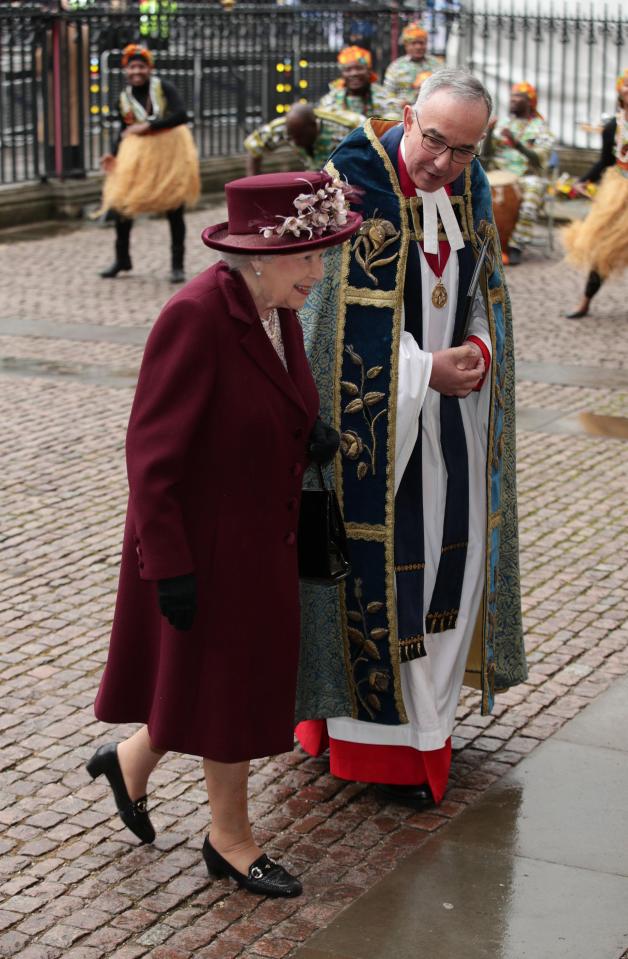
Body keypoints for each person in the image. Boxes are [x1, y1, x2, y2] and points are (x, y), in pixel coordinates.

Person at [87, 171, 362, 896]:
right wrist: (169, 566)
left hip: (258, 540)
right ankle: (231, 840)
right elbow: (150, 455)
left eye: (323, 253)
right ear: (260, 255)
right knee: (231, 691)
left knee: (212, 683)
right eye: (308, 255)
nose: (319, 270)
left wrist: (312, 432)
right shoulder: (195, 315)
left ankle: (131, 762)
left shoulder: (279, 310)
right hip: (202, 548)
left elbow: (274, 395)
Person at [294, 68, 526, 810]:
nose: (444, 164)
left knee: (443, 580)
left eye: (463, 149)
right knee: (373, 576)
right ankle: (366, 737)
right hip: (376, 436)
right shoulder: (348, 182)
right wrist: (427, 368)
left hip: (450, 430)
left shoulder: (471, 186)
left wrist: (480, 357)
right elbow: (319, 333)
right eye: (433, 140)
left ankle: (428, 736)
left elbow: (486, 295)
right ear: (405, 115)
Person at [98, 44, 200, 283]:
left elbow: (181, 115)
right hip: (137, 154)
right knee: (121, 202)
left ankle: (177, 265)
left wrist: (149, 126)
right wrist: (112, 153)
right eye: (132, 67)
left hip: (169, 152)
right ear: (126, 70)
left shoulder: (163, 88)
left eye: (141, 67)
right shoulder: (123, 98)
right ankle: (122, 258)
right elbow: (124, 130)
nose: (136, 72)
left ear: (149, 68)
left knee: (174, 207)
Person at [563, 69, 628, 318]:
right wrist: (581, 180)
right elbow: (604, 161)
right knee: (604, 247)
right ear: (620, 91)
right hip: (617, 192)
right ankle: (585, 301)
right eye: (627, 85)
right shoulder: (614, 126)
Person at [482, 82, 555, 264]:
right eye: (512, 96)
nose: (513, 100)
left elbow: (540, 159)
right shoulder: (503, 123)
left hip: (527, 175)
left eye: (518, 97)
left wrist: (517, 144)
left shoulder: (540, 128)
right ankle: (485, 242)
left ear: (530, 102)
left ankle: (516, 246)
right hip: (500, 172)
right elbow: (485, 155)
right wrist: (489, 132)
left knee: (531, 198)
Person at [243, 102, 362, 176]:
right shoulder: (283, 128)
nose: (295, 142)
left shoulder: (345, 127)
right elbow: (254, 146)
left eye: (300, 136)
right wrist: (252, 184)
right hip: (314, 179)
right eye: (291, 137)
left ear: (313, 125)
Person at [318, 46, 402, 120]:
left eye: (359, 68)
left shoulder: (384, 97)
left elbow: (395, 122)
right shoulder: (331, 100)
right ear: (342, 75)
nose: (354, 73)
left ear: (369, 71)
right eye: (348, 70)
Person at [383, 22, 442, 107]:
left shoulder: (437, 65)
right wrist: (399, 103)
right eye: (413, 43)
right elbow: (387, 94)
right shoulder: (396, 66)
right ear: (406, 45)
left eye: (421, 43)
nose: (418, 47)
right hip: (401, 112)